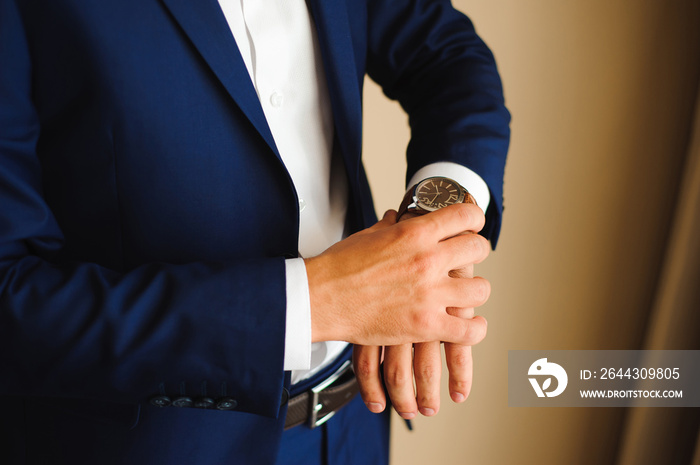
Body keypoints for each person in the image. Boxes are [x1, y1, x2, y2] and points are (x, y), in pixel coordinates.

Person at [0, 0, 509, 463]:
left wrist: (431, 226)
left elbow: (446, 54)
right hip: (159, 446)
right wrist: (313, 303)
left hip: (354, 424)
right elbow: (11, 299)